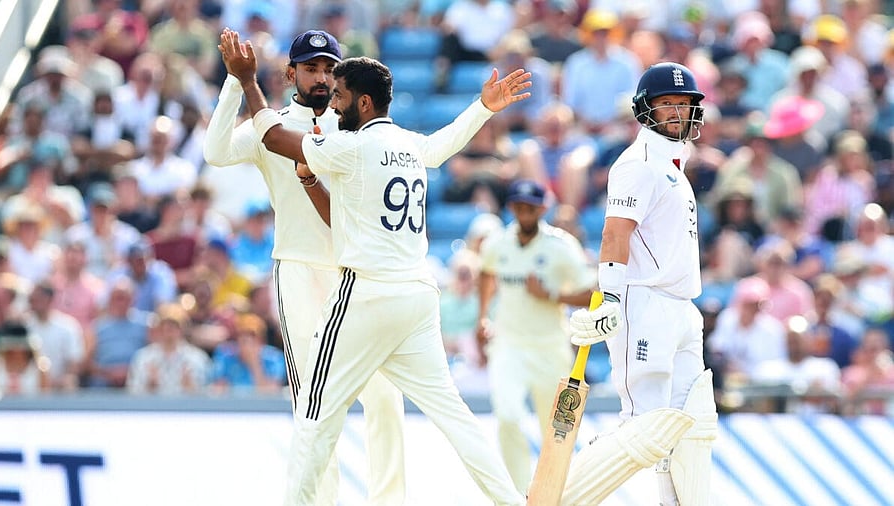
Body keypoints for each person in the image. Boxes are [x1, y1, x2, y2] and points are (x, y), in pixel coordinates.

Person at [218, 28, 530, 505]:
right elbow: (444, 144)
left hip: (362, 295)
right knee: (455, 416)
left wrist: (246, 81)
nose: (332, 103)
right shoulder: (408, 144)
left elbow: (277, 136)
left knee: (314, 416)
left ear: (362, 104)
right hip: (418, 297)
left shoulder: (348, 147)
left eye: (339, 95)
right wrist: (483, 107)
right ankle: (512, 500)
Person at [203, 29, 407, 505]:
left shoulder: (354, 127)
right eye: (310, 68)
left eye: (328, 70)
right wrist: (237, 81)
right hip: (298, 270)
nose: (320, 78)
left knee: (384, 395)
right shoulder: (267, 122)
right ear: (289, 73)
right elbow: (215, 153)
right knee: (316, 405)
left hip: (357, 273)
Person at [560, 62, 718, 505]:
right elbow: (615, 233)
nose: (676, 113)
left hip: (682, 307)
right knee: (645, 427)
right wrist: (610, 295)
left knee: (692, 424)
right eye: (666, 103)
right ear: (645, 110)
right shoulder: (637, 164)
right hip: (644, 303)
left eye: (684, 105)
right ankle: (561, 497)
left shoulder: (674, 168)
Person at [475, 179, 595, 492]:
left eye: (531, 207)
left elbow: (594, 292)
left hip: (550, 347)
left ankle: (556, 492)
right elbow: (486, 273)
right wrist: (483, 317)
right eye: (519, 206)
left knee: (555, 431)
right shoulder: (497, 243)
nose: (524, 212)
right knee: (508, 416)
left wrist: (552, 295)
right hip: (509, 345)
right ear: (511, 207)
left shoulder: (561, 245)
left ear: (543, 208)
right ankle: (517, 494)